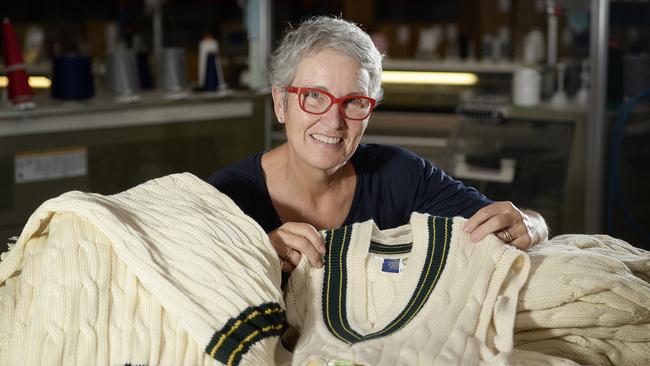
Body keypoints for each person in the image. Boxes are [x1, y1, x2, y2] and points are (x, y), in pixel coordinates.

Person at [207, 16, 548, 273]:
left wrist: (533, 225)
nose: (333, 120)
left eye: (354, 101)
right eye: (314, 96)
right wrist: (255, 256)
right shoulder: (227, 196)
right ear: (281, 103)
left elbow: (502, 222)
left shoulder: (401, 175)